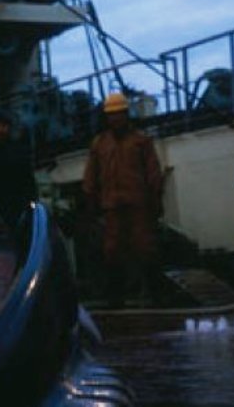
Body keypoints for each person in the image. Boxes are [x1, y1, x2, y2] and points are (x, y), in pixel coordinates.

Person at [82, 92, 163, 307]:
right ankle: (115, 300)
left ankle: (157, 296)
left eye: (119, 114)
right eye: (111, 115)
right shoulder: (99, 144)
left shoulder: (141, 141)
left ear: (127, 114)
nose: (115, 119)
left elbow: (154, 174)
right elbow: (91, 177)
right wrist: (90, 203)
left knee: (146, 249)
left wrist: (155, 203)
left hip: (139, 207)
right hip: (112, 208)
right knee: (112, 252)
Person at [0, 108, 37, 231]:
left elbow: (28, 179)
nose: (1, 129)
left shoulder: (18, 152)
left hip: (18, 205)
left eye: (4, 126)